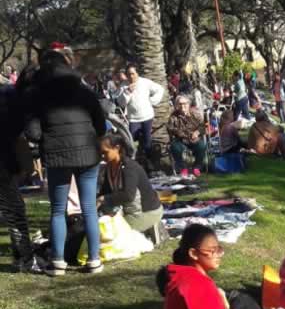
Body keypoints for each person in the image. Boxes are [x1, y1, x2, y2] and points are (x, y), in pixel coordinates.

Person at [24, 47, 107, 276]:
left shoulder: (39, 94)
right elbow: (101, 124)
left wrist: (46, 136)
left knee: (58, 210)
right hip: (88, 154)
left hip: (57, 155)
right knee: (89, 208)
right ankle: (94, 259)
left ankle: (58, 261)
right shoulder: (83, 89)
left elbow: (32, 131)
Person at [0, 82, 42, 273]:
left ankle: (21, 257)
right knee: (15, 211)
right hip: (4, 163)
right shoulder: (8, 95)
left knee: (11, 210)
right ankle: (25, 258)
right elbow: (19, 133)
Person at [97, 133, 163, 233]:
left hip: (146, 211)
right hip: (128, 209)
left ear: (117, 148)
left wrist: (103, 199)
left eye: (105, 152)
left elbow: (128, 195)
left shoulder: (129, 168)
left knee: (113, 232)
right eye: (100, 153)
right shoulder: (109, 167)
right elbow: (106, 191)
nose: (102, 156)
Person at [118, 63, 165, 163]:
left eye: (133, 73)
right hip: (133, 119)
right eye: (128, 74)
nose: (131, 76)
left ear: (137, 73)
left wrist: (152, 101)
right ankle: (133, 161)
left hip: (147, 117)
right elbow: (121, 103)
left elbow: (160, 89)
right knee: (131, 140)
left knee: (147, 141)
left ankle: (149, 162)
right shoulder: (123, 86)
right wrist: (127, 92)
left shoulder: (145, 82)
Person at [167, 94, 207, 177]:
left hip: (194, 139)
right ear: (177, 105)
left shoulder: (195, 113)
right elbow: (170, 129)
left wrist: (197, 132)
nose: (182, 106)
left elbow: (202, 126)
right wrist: (184, 135)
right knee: (174, 147)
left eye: (184, 103)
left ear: (188, 104)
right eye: (180, 104)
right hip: (181, 140)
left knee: (201, 146)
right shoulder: (173, 116)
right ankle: (182, 168)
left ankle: (197, 167)